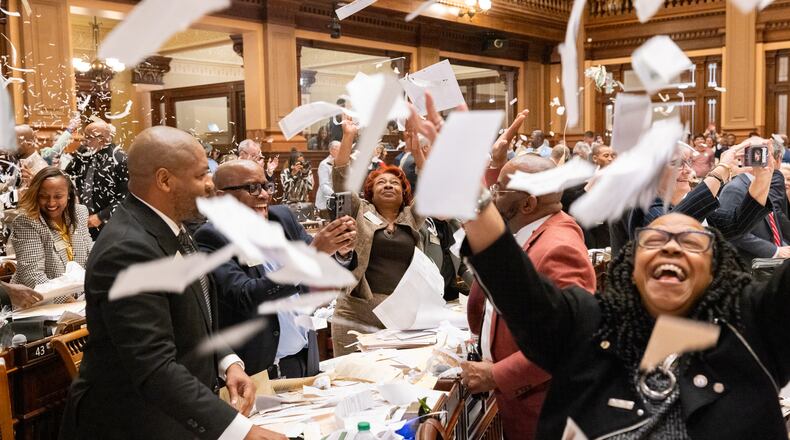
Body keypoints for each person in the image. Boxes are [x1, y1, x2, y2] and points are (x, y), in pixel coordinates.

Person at [462, 204, 790, 439]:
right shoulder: (587, 326)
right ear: (632, 267)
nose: (672, 248)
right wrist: (472, 198)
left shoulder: (751, 327)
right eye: (654, 240)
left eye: (691, 242)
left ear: (715, 270)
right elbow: (517, 286)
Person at [60, 126, 283, 440]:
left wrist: (227, 361)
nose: (211, 185)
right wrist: (241, 432)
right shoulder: (128, 249)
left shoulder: (171, 226)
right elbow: (154, 367)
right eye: (202, 175)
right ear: (164, 180)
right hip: (132, 425)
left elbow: (191, 313)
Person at [462, 154, 596, 440]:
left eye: (498, 190)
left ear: (528, 204)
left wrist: (495, 375)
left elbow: (571, 341)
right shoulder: (529, 227)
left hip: (540, 411)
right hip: (518, 405)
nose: (493, 196)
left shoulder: (558, 247)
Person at [195, 160, 356, 377]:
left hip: (304, 358)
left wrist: (341, 250)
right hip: (261, 369)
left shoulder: (282, 218)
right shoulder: (211, 237)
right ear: (222, 196)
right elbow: (245, 296)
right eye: (252, 188)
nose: (264, 195)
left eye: (266, 186)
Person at [330, 117, 425, 356]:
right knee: (349, 379)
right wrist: (348, 136)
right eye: (381, 182)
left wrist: (416, 152)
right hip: (356, 311)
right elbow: (341, 180)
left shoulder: (412, 216)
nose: (388, 185)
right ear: (370, 193)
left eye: (394, 183)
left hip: (402, 314)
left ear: (404, 194)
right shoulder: (359, 210)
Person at [10, 167, 92, 297]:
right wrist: (65, 300)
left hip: (79, 302)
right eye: (44, 196)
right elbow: (33, 277)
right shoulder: (26, 222)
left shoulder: (80, 213)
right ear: (36, 195)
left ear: (69, 195)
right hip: (38, 303)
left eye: (58, 196)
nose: (51, 202)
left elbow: (90, 258)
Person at [719, 139, 790, 261]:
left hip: (771, 259)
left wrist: (782, 246)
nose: (772, 161)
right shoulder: (735, 188)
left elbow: (772, 225)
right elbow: (730, 232)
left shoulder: (760, 182)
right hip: (750, 264)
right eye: (764, 154)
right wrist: (775, 251)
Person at [64, 120, 129, 239]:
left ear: (102, 139)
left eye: (88, 137)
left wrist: (101, 216)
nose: (83, 140)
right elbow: (67, 174)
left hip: (110, 225)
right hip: (81, 219)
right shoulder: (83, 151)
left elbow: (126, 196)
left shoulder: (120, 159)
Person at [315, 141, 340, 218]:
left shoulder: (341, 163)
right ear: (332, 150)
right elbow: (324, 185)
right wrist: (335, 195)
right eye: (339, 149)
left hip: (339, 202)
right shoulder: (324, 164)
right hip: (326, 202)